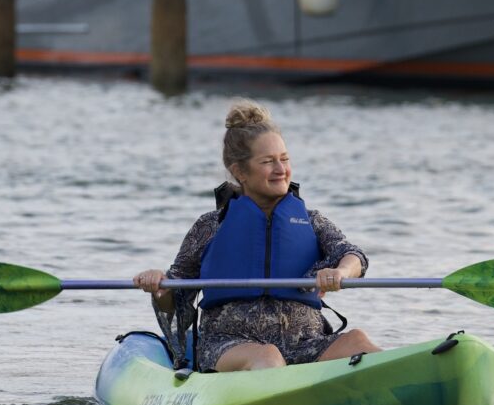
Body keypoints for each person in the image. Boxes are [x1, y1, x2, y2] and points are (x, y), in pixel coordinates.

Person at [132, 100, 379, 372]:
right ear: (240, 171)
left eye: (284, 159)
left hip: (306, 343)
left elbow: (354, 255)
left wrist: (341, 272)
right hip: (230, 345)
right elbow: (174, 294)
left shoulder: (312, 220)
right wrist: (159, 286)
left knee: (357, 340)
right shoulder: (210, 226)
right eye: (268, 161)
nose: (281, 169)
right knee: (268, 357)